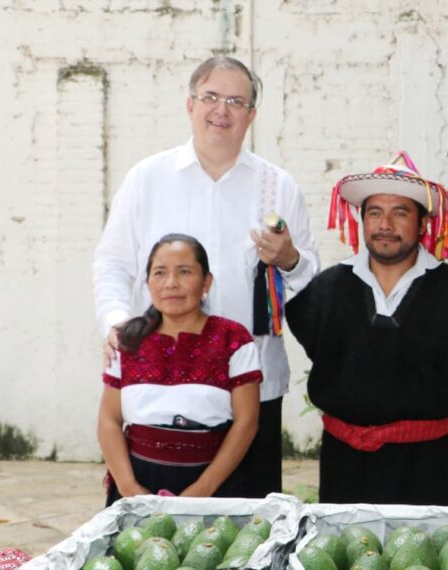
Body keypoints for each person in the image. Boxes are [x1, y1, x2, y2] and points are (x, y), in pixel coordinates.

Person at [92, 56, 319, 497]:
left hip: (251, 388)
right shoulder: (148, 178)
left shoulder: (279, 186)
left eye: (236, 101)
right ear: (190, 105)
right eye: (211, 97)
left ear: (251, 115)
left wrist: (290, 258)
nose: (222, 110)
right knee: (149, 534)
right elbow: (112, 263)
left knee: (245, 530)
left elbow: (311, 282)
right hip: (157, 384)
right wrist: (118, 323)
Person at [286, 152, 448, 505]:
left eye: (400, 213)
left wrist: (418, 429)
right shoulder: (328, 289)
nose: (385, 224)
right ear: (362, 220)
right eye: (375, 213)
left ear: (423, 224)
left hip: (425, 462)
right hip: (343, 463)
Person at [98, 234, 261, 505]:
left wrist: (201, 490)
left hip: (214, 485)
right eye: (160, 273)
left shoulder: (233, 339)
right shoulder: (128, 340)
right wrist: (129, 488)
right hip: (137, 484)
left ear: (206, 282)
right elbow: (108, 421)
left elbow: (247, 423)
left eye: (184, 272)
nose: (171, 283)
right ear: (148, 282)